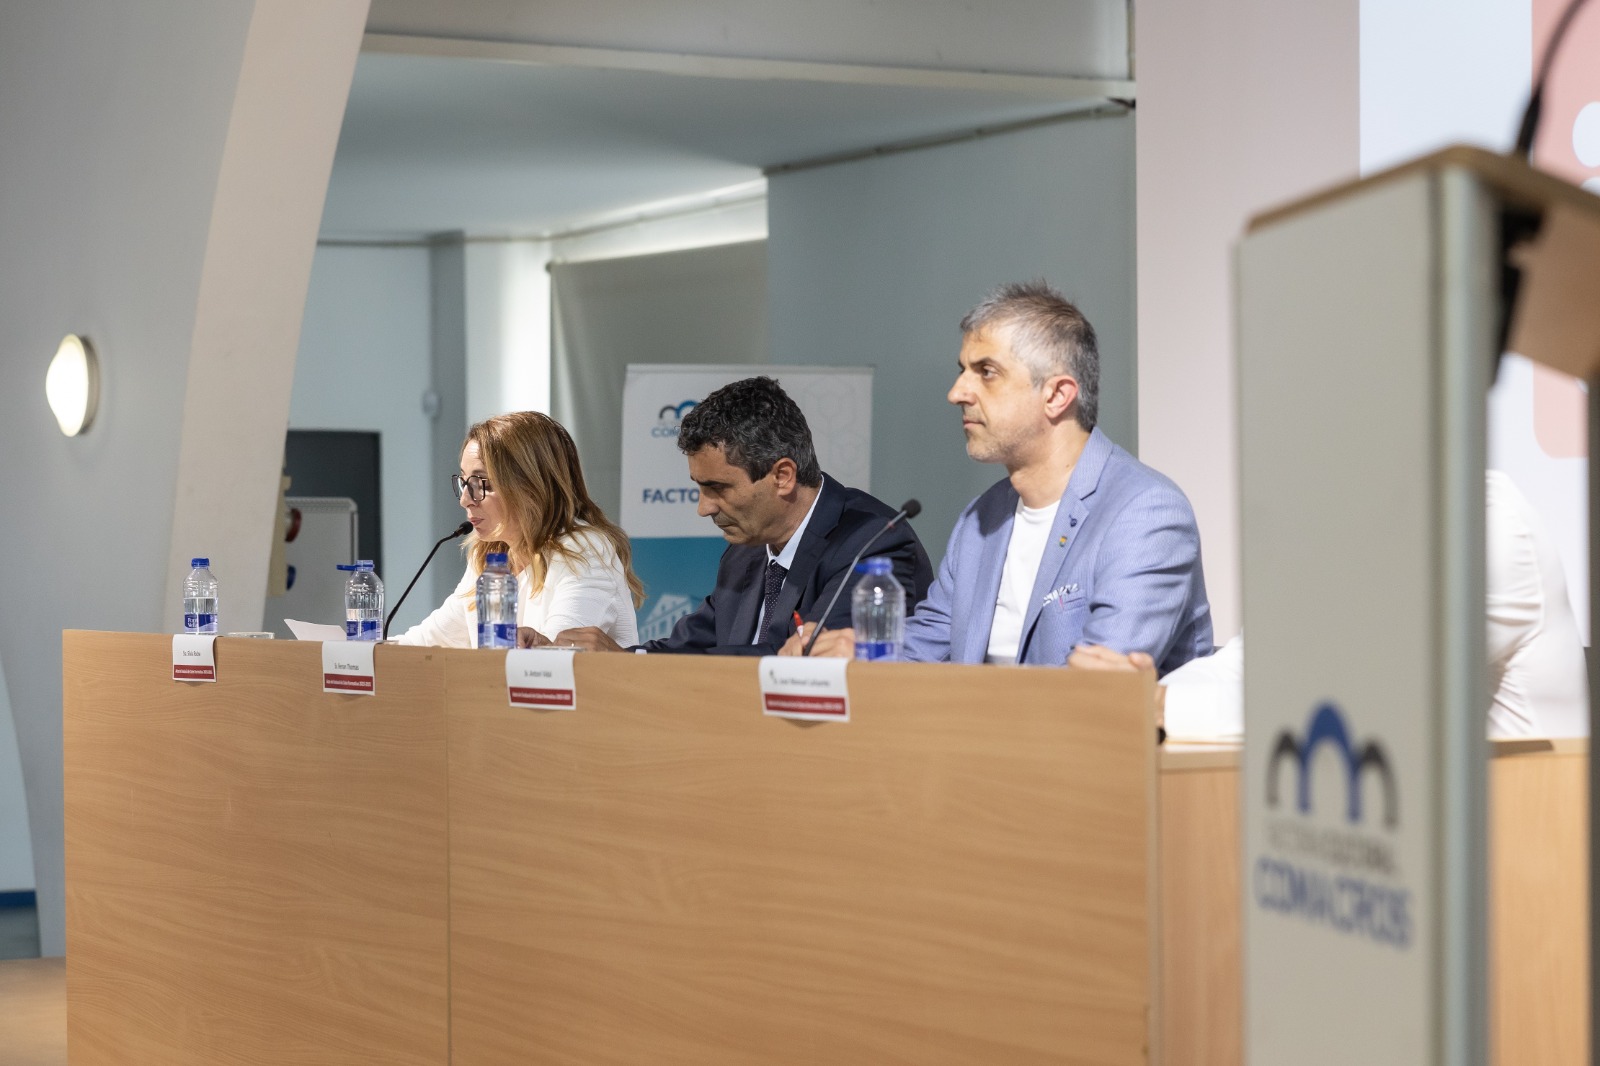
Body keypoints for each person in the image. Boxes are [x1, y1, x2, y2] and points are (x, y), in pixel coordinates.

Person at [790, 282, 1211, 671]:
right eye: (962, 370)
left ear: (1056, 395)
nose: (957, 393)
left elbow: (1098, 685)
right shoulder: (982, 518)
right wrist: (856, 650)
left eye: (986, 372)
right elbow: (926, 647)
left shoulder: (1145, 512)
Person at [1071, 471, 1590, 741]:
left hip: (1523, 848)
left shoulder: (1491, 524)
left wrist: (1161, 706)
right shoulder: (1347, 531)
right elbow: (1248, 664)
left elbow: (1369, 704)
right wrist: (1139, 695)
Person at [555, 376, 934, 655]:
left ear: (782, 476)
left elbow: (811, 660)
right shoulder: (745, 551)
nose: (704, 508)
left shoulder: (872, 544)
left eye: (718, 488)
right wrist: (617, 657)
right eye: (699, 488)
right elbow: (691, 647)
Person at [394, 411, 642, 648]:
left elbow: (555, 653)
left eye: (481, 484)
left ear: (531, 486)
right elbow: (425, 641)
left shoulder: (584, 550)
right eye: (464, 482)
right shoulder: (488, 558)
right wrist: (373, 648)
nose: (465, 500)